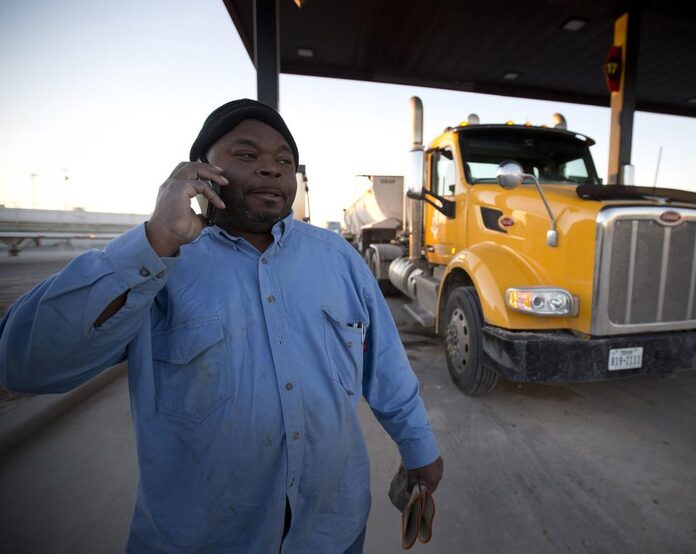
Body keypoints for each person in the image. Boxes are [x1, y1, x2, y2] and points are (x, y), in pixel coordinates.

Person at [0, 99, 443, 552]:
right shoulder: (159, 264)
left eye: (284, 161)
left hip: (331, 530)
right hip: (201, 539)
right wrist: (155, 239)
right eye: (247, 155)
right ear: (200, 173)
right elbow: (23, 363)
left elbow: (385, 366)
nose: (271, 169)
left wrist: (419, 447)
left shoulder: (338, 259)